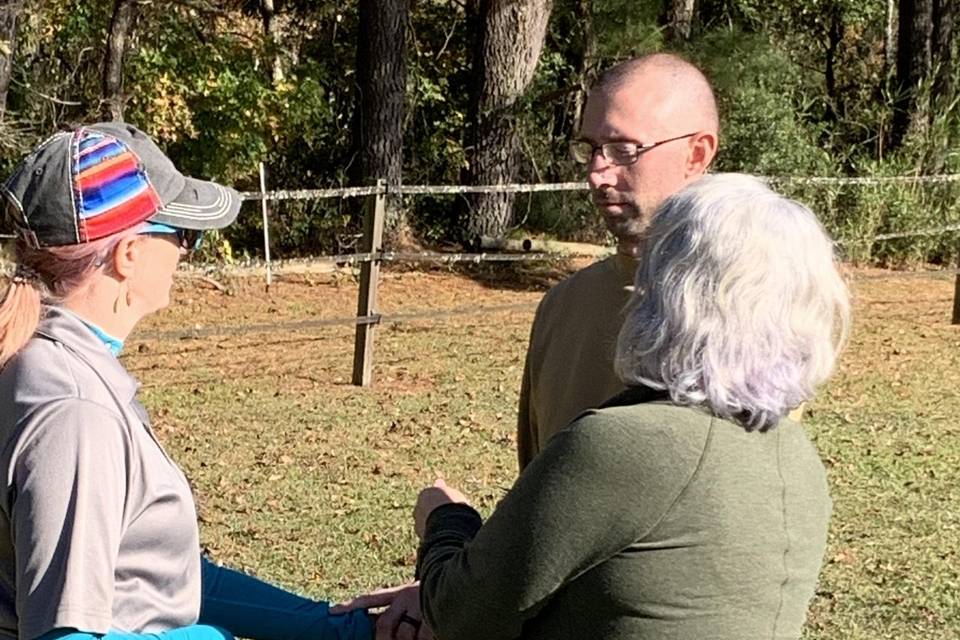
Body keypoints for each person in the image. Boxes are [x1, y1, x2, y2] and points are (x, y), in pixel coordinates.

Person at [410, 173, 850, 639]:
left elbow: (462, 613)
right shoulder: (798, 460)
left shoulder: (624, 445)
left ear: (671, 295)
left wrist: (446, 520)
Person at [0, 123, 372, 640]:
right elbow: (64, 635)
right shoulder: (76, 411)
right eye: (181, 235)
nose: (185, 252)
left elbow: (157, 578)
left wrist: (344, 628)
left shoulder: (45, 363)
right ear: (128, 254)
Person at [517, 52, 719, 470]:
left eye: (624, 150)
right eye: (590, 149)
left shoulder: (749, 309)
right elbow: (534, 485)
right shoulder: (562, 305)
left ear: (696, 155)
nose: (597, 173)